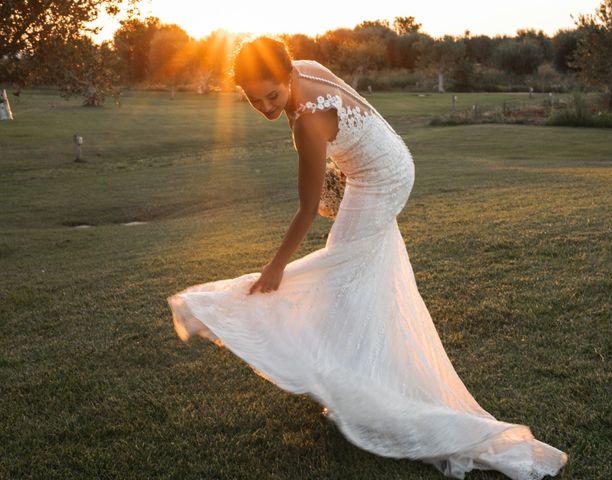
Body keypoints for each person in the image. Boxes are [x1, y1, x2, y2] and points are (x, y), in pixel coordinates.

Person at [166, 36, 569, 479]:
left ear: (289, 75)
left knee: (338, 275)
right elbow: (362, 113)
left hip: (378, 183)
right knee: (359, 277)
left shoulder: (306, 120)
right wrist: (345, 173)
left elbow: (304, 209)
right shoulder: (307, 65)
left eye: (273, 95)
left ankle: (349, 387)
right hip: (393, 160)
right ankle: (342, 382)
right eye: (253, 99)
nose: (265, 107)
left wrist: (276, 265)